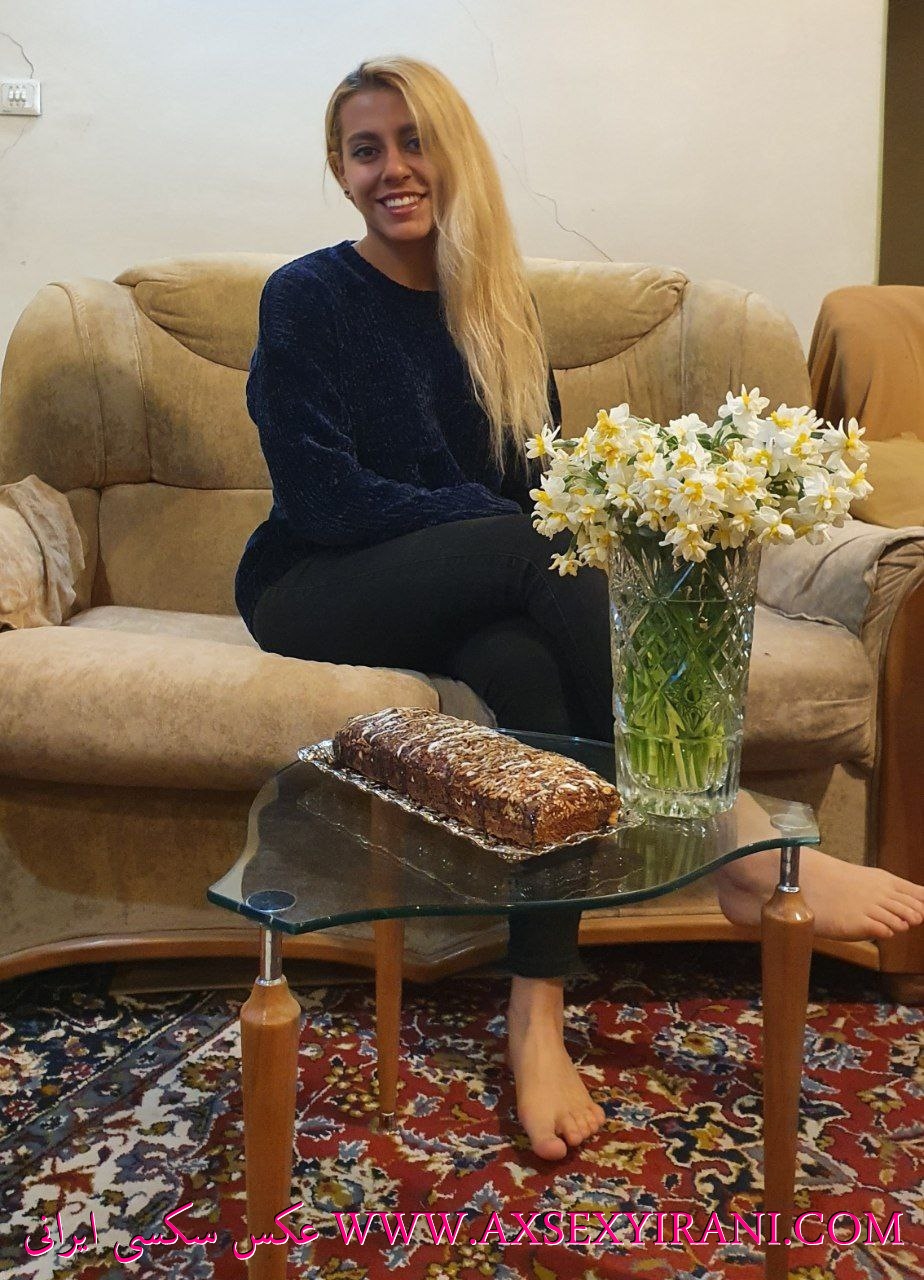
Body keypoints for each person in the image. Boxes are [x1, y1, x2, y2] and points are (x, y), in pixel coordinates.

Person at [236, 56, 924, 1161]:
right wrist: (495, 528)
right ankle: (736, 836)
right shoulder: (306, 295)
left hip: (465, 582)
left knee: (533, 673)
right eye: (366, 150)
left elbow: (542, 491)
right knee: (530, 548)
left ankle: (536, 1017)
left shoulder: (498, 312)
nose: (393, 168)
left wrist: (513, 531)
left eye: (414, 141)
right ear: (339, 168)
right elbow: (325, 496)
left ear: (453, 155)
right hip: (317, 579)